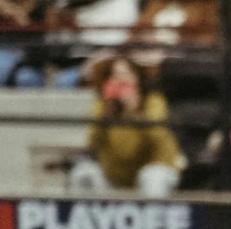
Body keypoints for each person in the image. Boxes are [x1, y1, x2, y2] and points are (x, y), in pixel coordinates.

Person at [76, 54, 184, 195]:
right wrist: (105, 116)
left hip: (156, 169)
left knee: (152, 176)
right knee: (83, 173)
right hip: (113, 175)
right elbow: (92, 144)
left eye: (127, 74)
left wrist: (135, 113)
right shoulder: (101, 105)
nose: (122, 80)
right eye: (116, 75)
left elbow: (159, 142)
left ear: (137, 78)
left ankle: (149, 216)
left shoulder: (153, 101)